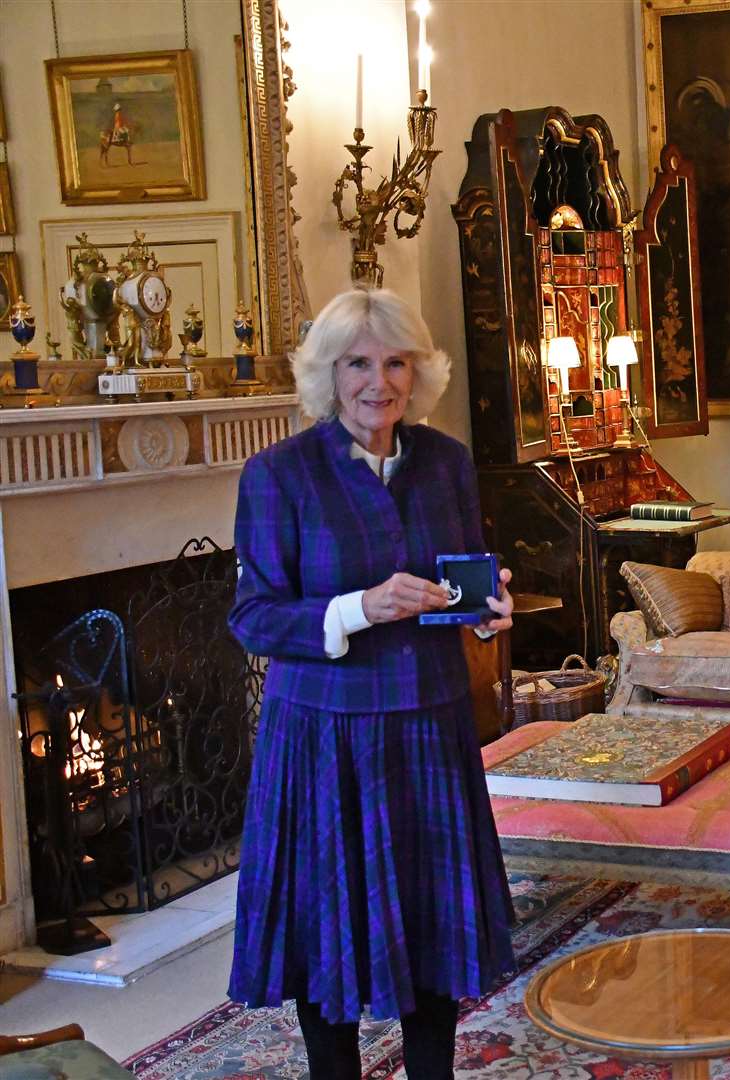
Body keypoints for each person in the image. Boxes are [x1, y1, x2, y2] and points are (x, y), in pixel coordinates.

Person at [228, 288, 517, 1079]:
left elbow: (462, 584)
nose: (378, 382)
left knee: (433, 932)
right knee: (328, 937)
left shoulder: (446, 463)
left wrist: (486, 614)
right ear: (329, 373)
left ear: (418, 372)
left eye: (395, 362)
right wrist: (359, 607)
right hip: (322, 735)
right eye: (358, 362)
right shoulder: (277, 476)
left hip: (429, 722)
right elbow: (253, 619)